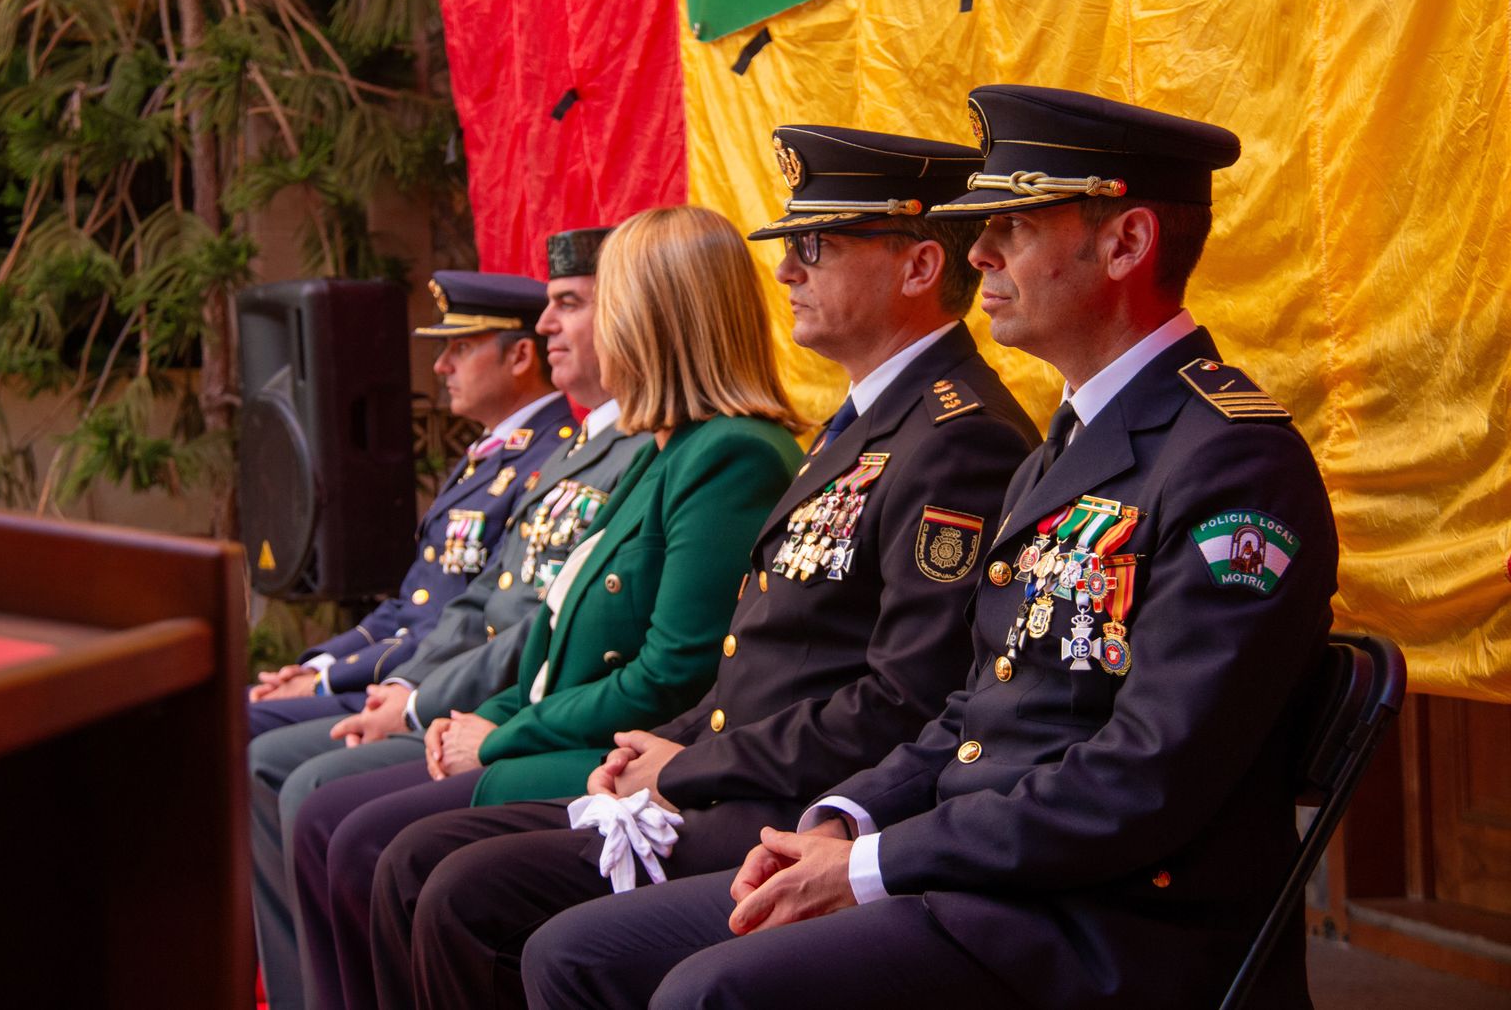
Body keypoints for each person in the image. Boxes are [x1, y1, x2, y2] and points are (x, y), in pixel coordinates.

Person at [520, 85, 1340, 1010]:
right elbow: (976, 706)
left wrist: (874, 863)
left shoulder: (1230, 459)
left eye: (1016, 226)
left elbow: (1146, 777)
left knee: (709, 994)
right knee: (577, 956)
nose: (979, 252)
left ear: (1127, 243)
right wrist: (848, 814)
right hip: (984, 878)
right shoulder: (1068, 446)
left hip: (1105, 927)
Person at [362, 126, 1041, 1009]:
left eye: (815, 246)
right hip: (731, 774)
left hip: (793, 802)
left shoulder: (958, 438)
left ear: (915, 268)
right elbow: (759, 663)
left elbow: (902, 698)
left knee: (468, 895)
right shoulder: (864, 424)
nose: (788, 272)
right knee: (432, 869)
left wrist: (684, 767)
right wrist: (673, 743)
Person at [287, 204, 806, 1010]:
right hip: (571, 733)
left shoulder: (731, 451)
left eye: (605, 301)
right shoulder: (664, 447)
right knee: (357, 833)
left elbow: (673, 671)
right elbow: (551, 628)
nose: (575, 325)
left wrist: (499, 737)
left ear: (660, 316)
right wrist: (482, 717)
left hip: (621, 751)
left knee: (391, 851)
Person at [249, 228, 655, 1010]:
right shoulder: (572, 453)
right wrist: (361, 675)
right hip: (486, 697)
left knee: (316, 792)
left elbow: (547, 628)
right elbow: (454, 602)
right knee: (293, 771)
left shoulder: (638, 450)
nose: (547, 325)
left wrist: (425, 703)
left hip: (555, 720)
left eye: (568, 305)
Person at [246, 271, 571, 738]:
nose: (441, 367)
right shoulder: (493, 453)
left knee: (243, 730)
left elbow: (474, 617)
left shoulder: (548, 459)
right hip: (400, 670)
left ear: (520, 355)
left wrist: (326, 681)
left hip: (441, 687)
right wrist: (318, 665)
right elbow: (411, 601)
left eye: (460, 348)